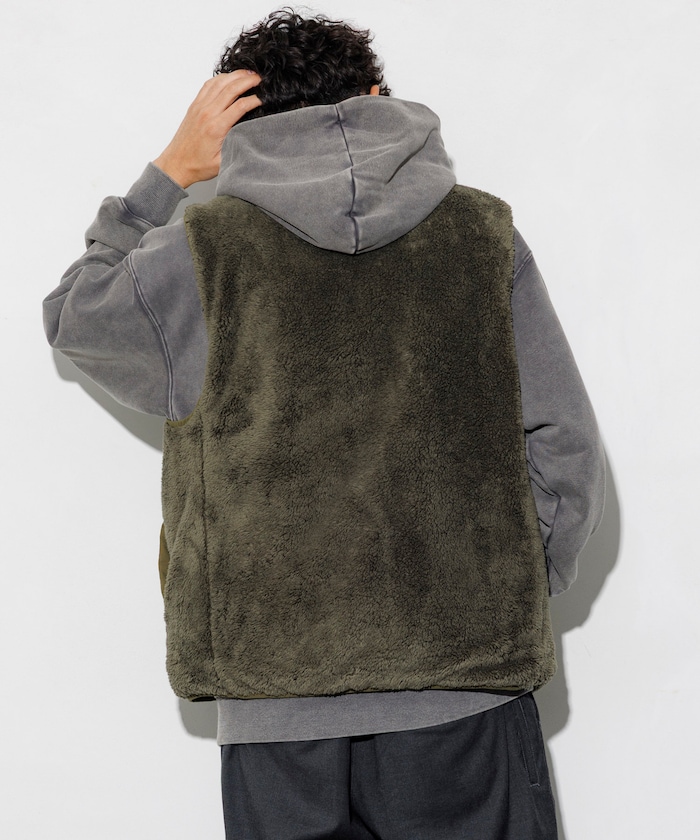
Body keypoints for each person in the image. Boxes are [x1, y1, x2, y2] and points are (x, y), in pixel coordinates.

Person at [43, 9, 605, 840]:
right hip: (464, 703)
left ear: (241, 124)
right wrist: (501, 596)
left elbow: (74, 315)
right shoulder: (484, 238)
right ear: (376, 97)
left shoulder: (200, 256)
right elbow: (563, 448)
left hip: (277, 722)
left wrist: (168, 172)